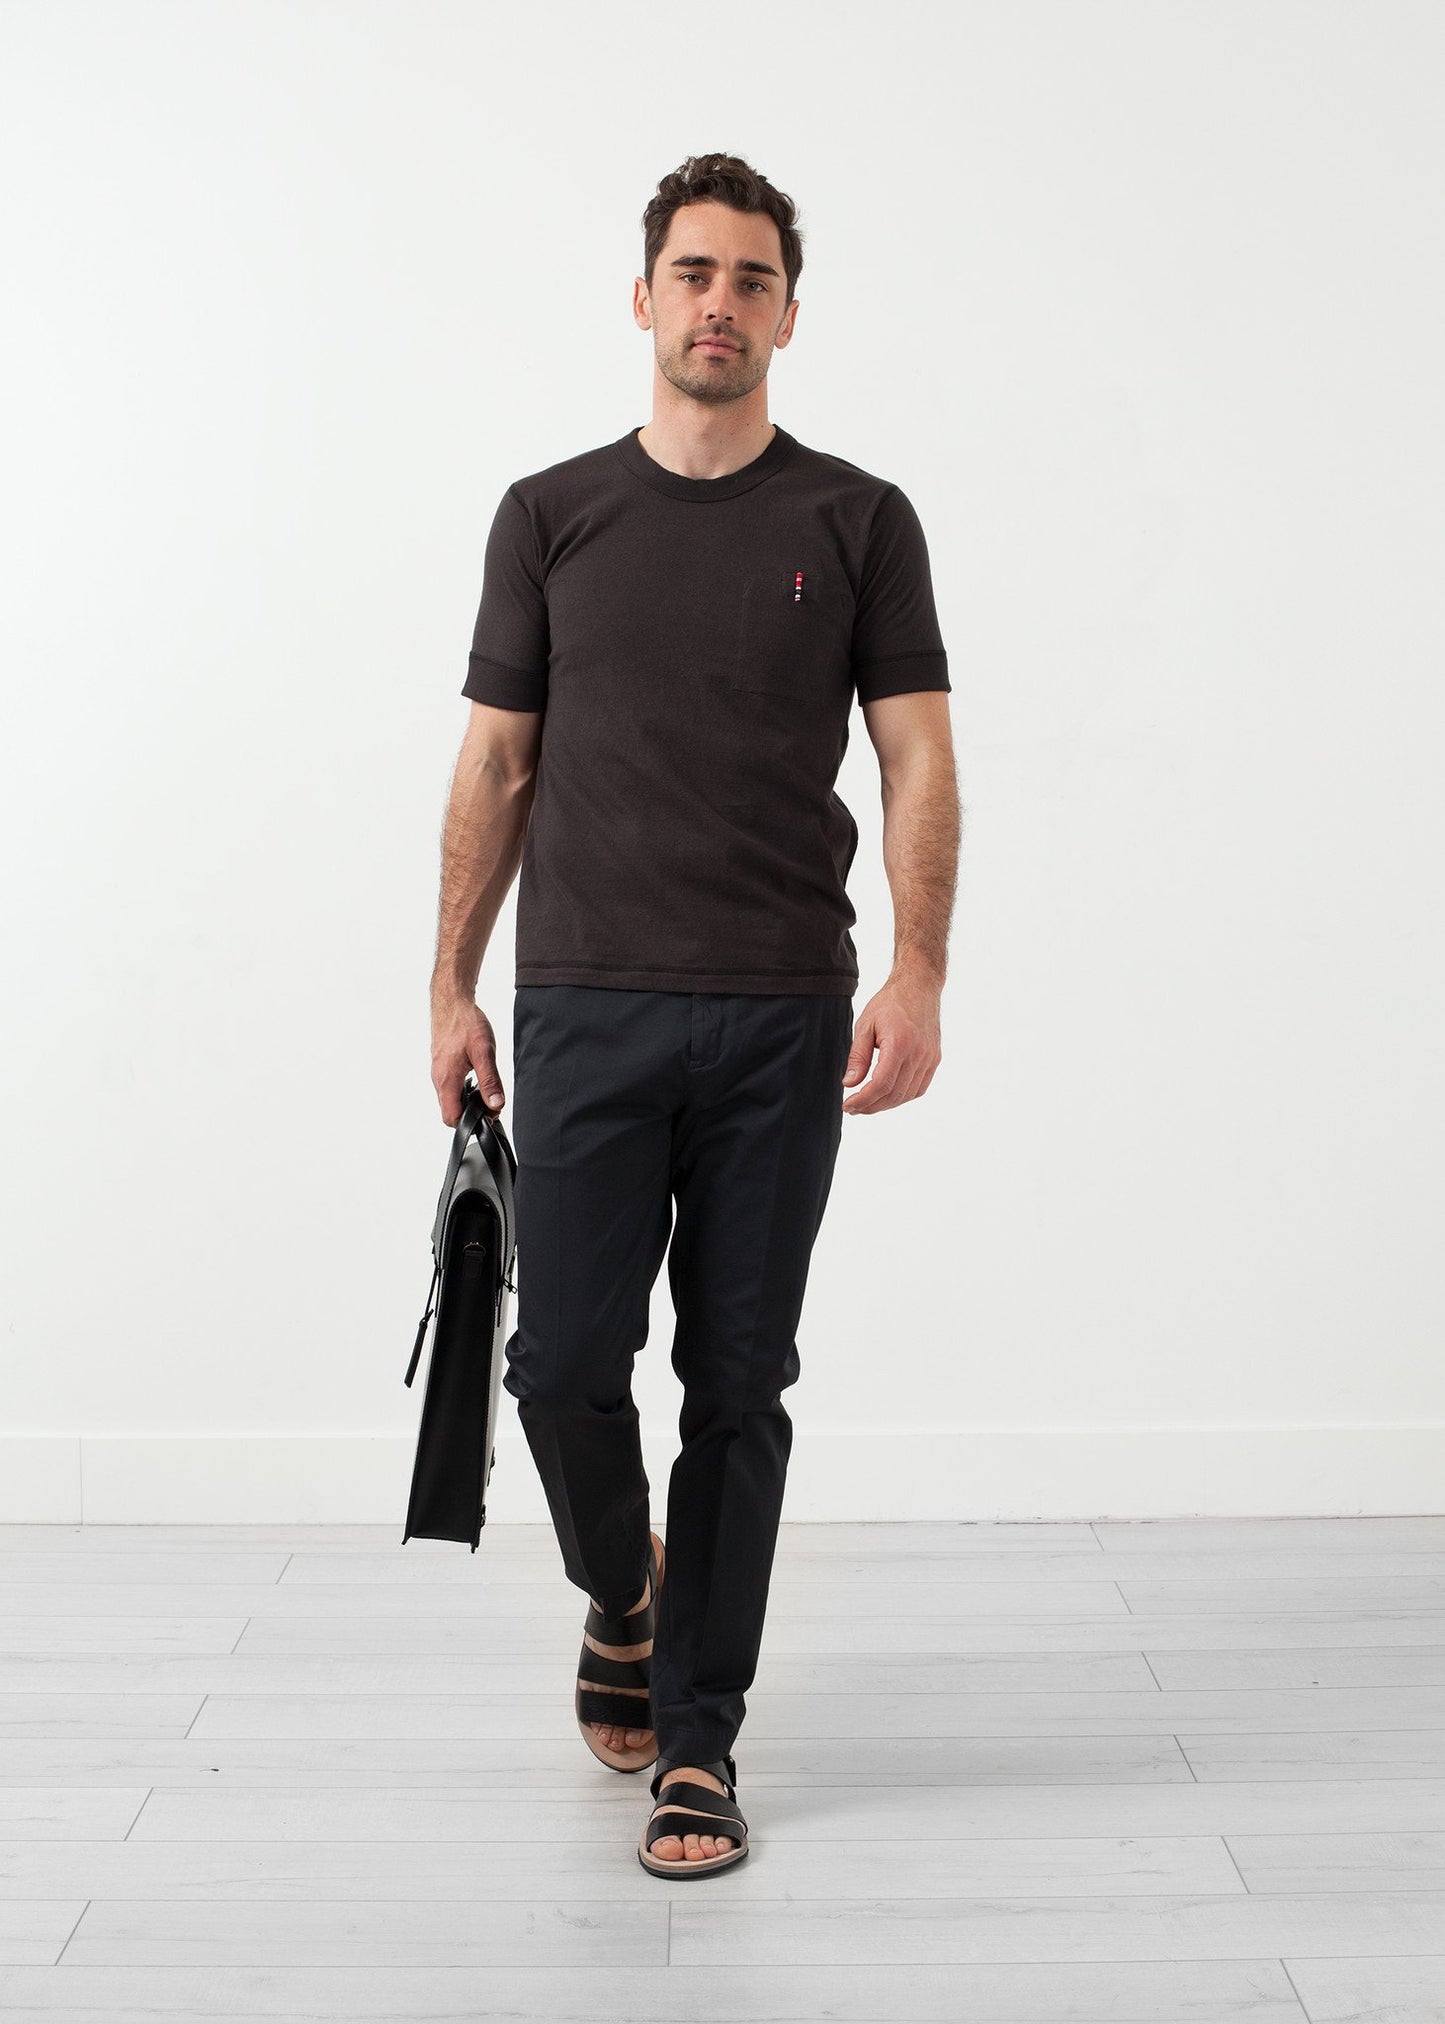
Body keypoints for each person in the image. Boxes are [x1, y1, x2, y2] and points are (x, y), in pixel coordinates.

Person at [429, 151, 960, 1878]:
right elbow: (497, 765)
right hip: (582, 1003)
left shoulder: (857, 521)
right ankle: (623, 1587)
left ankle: (699, 1746)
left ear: (787, 316)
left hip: (780, 1015)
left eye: (750, 279)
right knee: (559, 1366)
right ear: (643, 298)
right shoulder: (549, 513)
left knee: (737, 1383)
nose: (718, 304)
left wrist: (918, 969)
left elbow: (916, 759)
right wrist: (448, 981)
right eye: (693, 273)